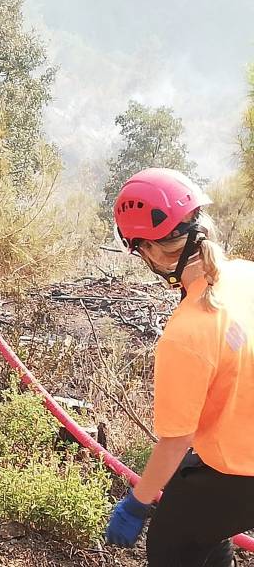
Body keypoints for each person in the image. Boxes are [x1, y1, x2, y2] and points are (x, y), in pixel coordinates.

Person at [105, 168, 254, 566]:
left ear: (151, 251)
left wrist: (136, 503)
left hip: (239, 472)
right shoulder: (246, 275)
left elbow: (176, 440)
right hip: (237, 456)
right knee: (203, 532)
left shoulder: (186, 333)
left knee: (172, 545)